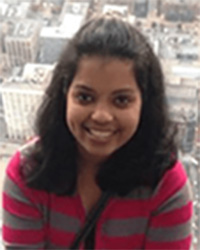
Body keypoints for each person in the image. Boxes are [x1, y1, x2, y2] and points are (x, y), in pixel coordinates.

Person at [2, 12, 193, 249]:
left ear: (145, 103)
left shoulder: (165, 186)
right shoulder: (26, 175)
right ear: (65, 96)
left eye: (121, 100)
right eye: (85, 97)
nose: (101, 115)